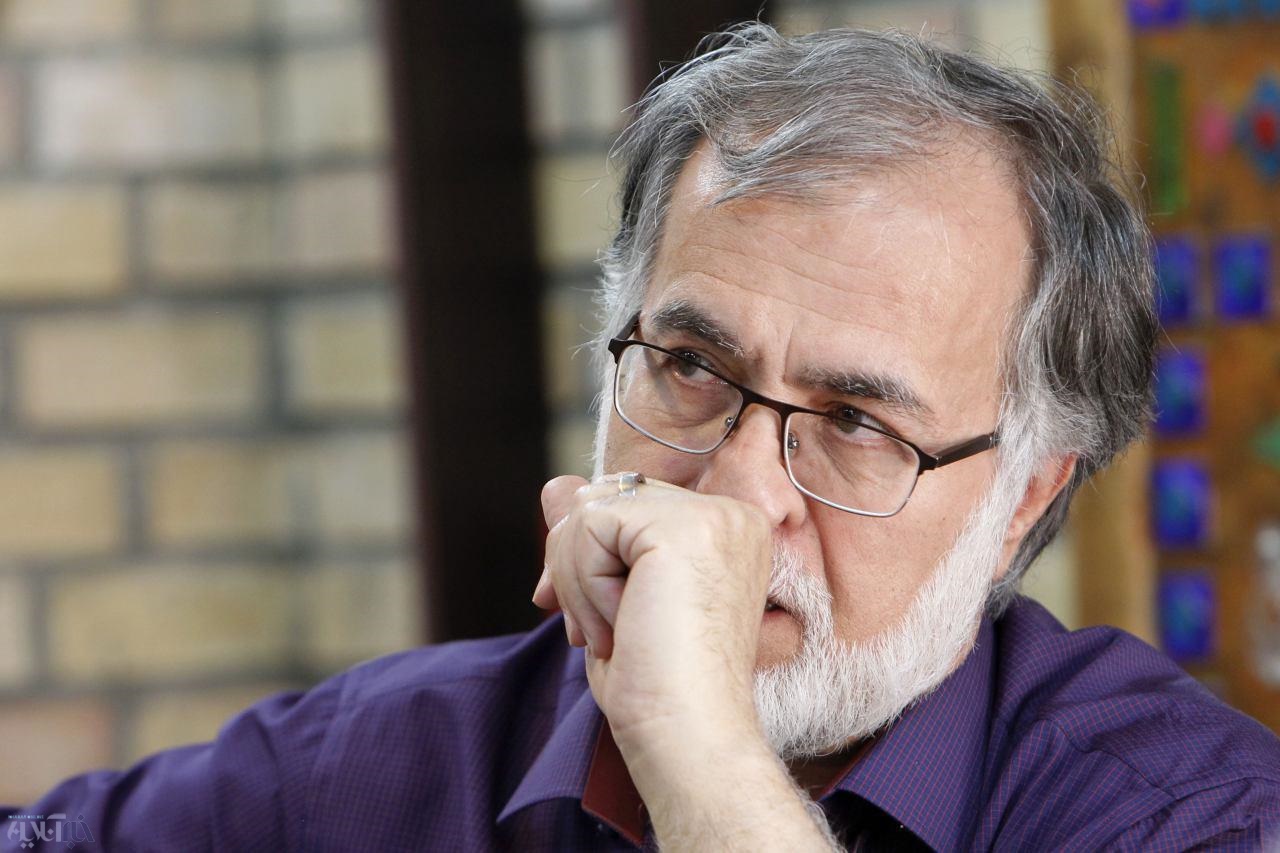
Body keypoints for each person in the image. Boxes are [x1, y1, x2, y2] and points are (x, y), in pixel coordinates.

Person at [4, 24, 1279, 852]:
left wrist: (694, 747)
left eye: (852, 421)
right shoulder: (385, 762)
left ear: (1021, 499)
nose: (732, 493)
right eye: (688, 366)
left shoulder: (1184, 814)